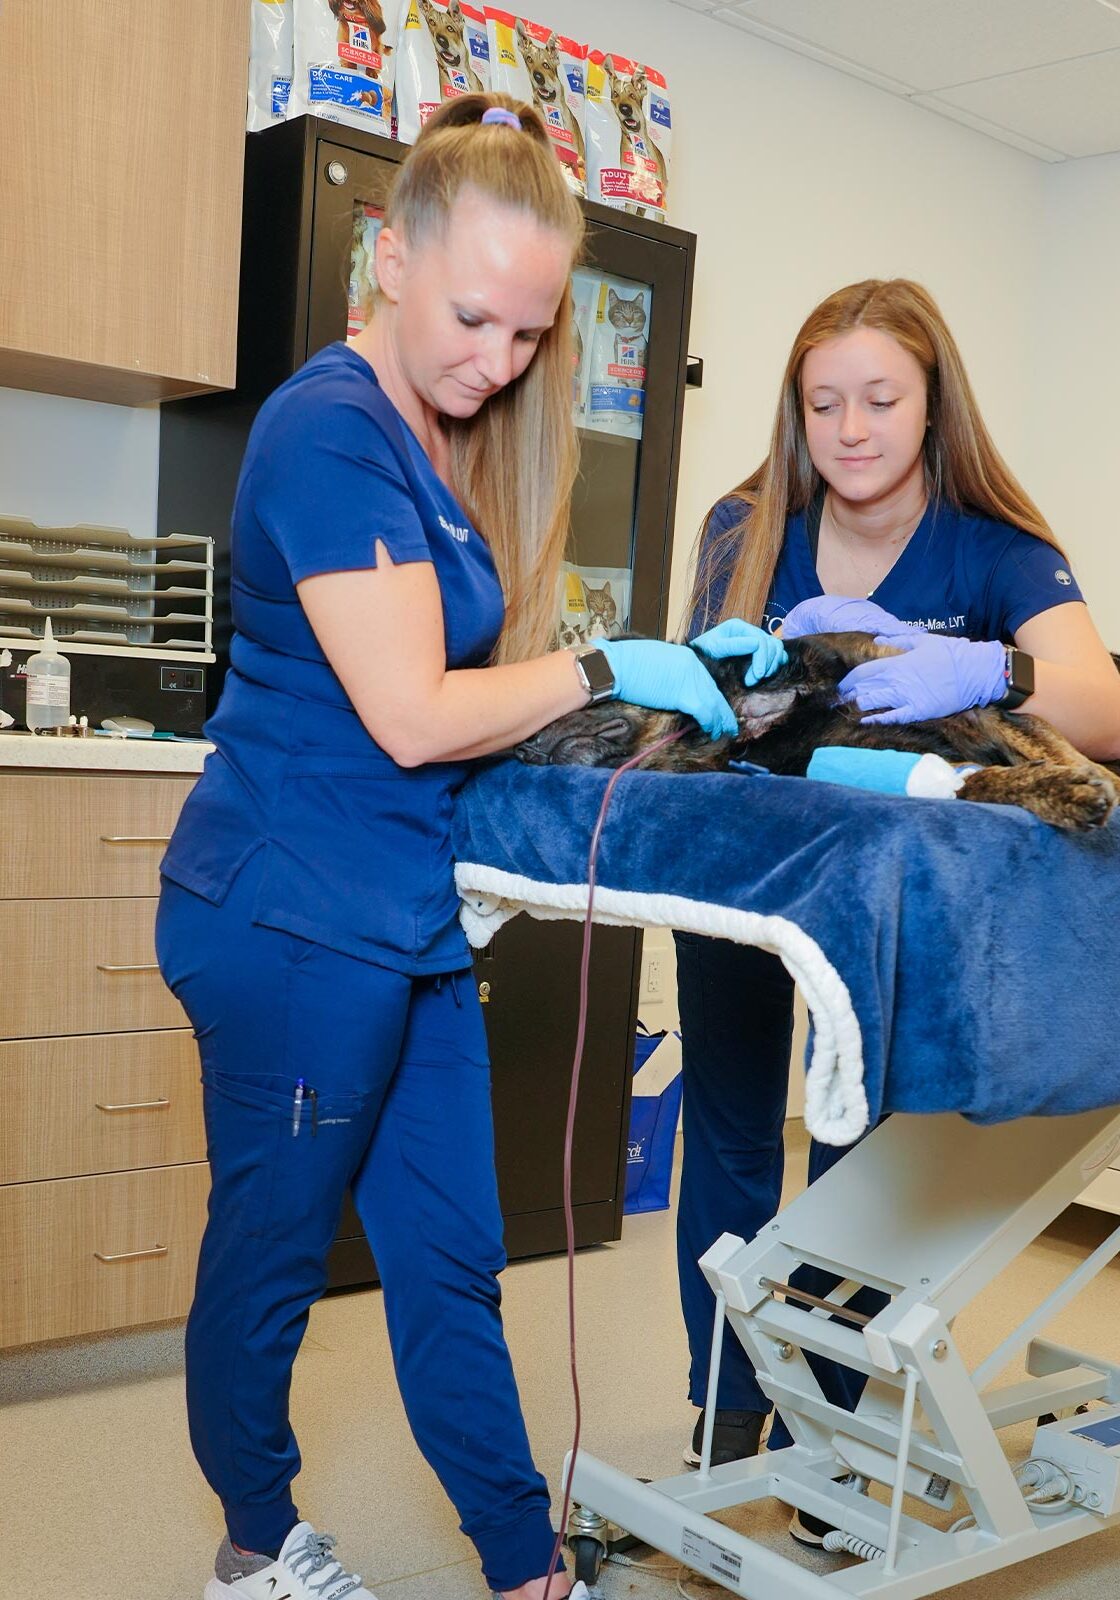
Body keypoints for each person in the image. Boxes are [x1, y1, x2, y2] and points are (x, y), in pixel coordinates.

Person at [155, 94, 786, 1600]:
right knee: (274, 1261)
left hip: (404, 922)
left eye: (527, 334)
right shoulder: (328, 431)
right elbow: (415, 714)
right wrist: (620, 665)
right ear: (387, 256)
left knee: (448, 1255)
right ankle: (254, 1545)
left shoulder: (433, 455)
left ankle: (521, 1562)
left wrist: (648, 705)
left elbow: (463, 725)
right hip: (291, 925)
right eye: (473, 317)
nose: (496, 361)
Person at [673, 277, 1120, 1542]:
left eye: (880, 398)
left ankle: (829, 1433)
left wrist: (997, 664)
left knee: (856, 1149)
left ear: (934, 407)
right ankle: (724, 1414)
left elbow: (1102, 702)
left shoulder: (989, 545)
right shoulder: (744, 526)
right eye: (823, 402)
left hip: (896, 905)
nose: (851, 427)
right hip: (751, 873)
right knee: (728, 1137)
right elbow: (714, 694)